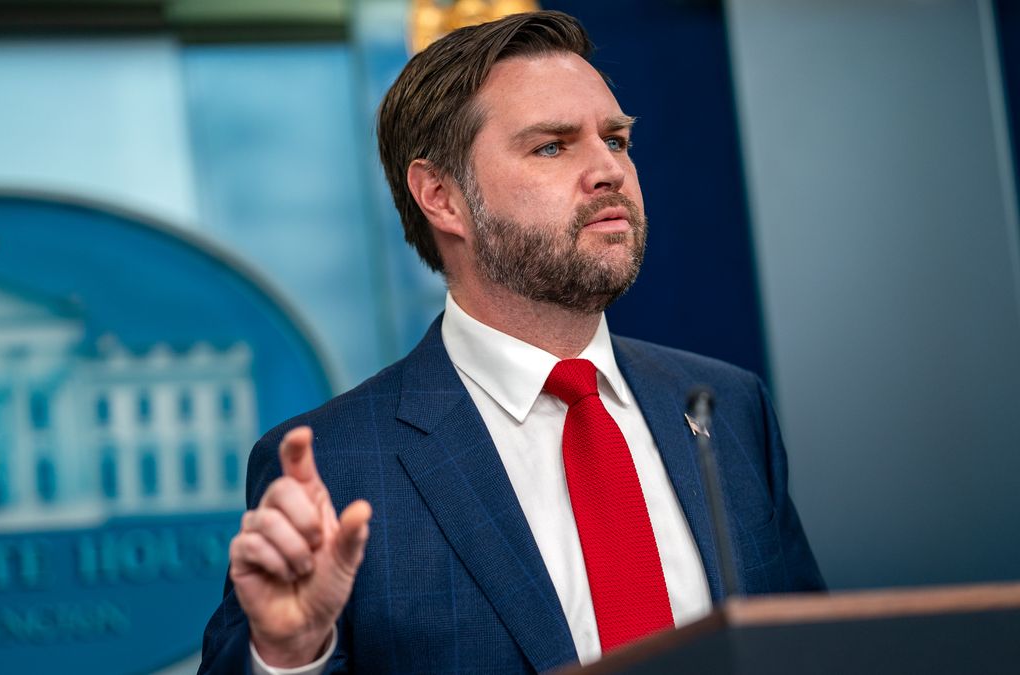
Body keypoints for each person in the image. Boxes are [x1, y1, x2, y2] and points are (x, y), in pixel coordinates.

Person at [198, 10, 824, 675]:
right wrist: (289, 655)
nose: (608, 170)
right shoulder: (340, 463)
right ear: (441, 196)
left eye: (615, 139)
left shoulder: (725, 407)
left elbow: (813, 650)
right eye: (552, 146)